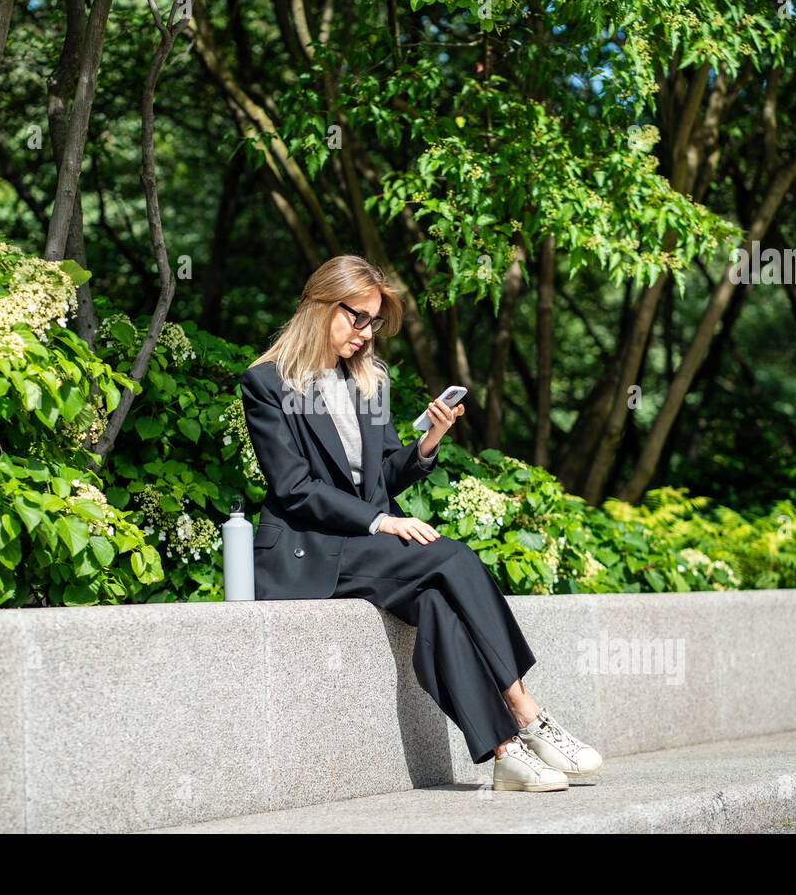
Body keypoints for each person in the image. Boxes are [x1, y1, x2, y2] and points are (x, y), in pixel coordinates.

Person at [238, 255, 603, 792]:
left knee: (437, 607)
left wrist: (427, 443)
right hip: (309, 550)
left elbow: (383, 476)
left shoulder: (369, 380)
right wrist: (381, 522)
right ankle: (526, 711)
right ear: (320, 306)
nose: (366, 333)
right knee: (451, 555)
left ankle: (506, 755)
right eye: (356, 317)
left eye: (374, 322)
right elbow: (293, 488)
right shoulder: (266, 382)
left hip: (365, 547)